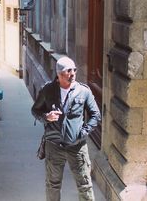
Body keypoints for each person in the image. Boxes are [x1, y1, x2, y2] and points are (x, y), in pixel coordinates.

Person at [31, 56, 101, 201]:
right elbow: (35, 110)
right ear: (59, 73)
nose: (73, 73)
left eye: (74, 70)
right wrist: (46, 117)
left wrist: (83, 133)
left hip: (77, 147)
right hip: (54, 147)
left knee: (85, 185)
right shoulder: (47, 90)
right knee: (52, 185)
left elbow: (96, 115)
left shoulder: (83, 91)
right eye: (68, 71)